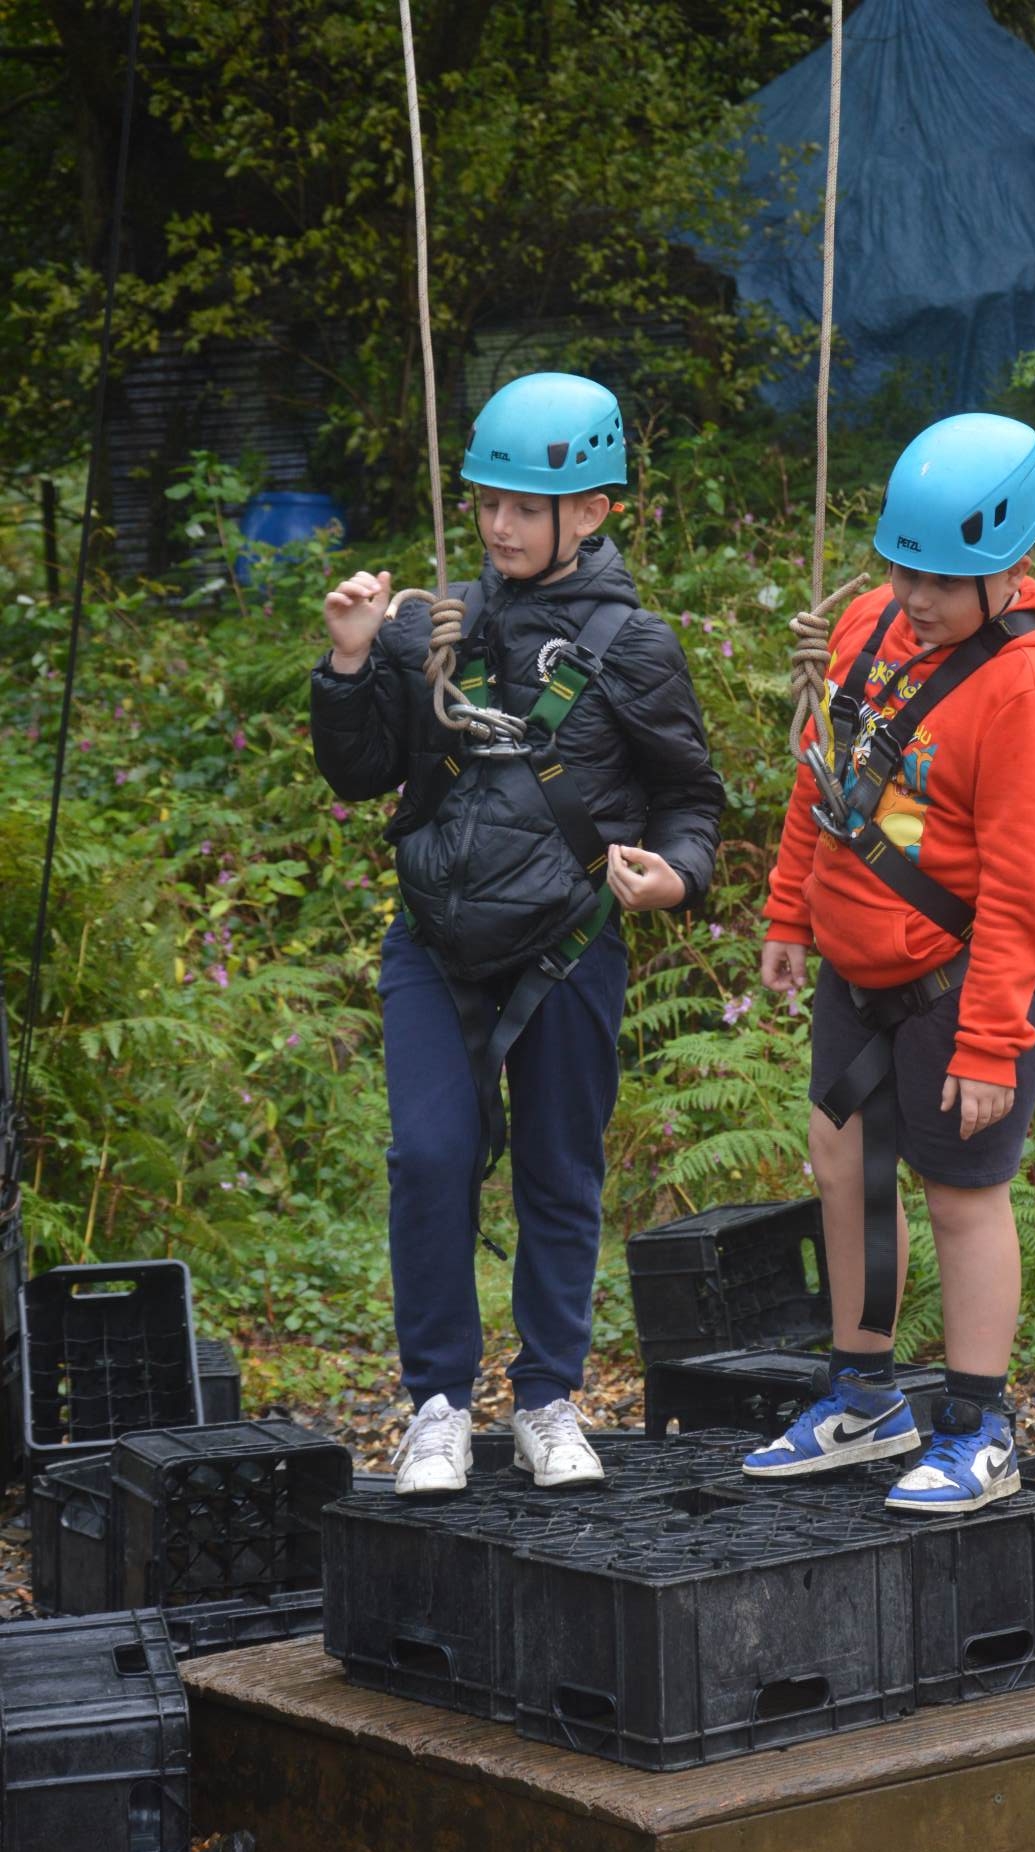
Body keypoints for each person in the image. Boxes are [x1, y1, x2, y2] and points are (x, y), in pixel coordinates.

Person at [310, 372, 723, 1495]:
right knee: (430, 1158)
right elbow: (359, 772)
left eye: (523, 507)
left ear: (590, 511)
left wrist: (676, 875)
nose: (498, 525)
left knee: (558, 1169)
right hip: (435, 945)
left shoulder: (635, 645)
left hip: (568, 946)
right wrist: (349, 661)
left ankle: (546, 1398)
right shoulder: (430, 627)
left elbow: (690, 795)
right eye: (486, 501)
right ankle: (437, 1406)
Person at [744, 413, 1035, 1515]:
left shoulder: (1030, 690)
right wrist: (789, 912)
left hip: (968, 975)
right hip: (859, 964)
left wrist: (990, 1043)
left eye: (942, 578)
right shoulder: (868, 626)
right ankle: (863, 1396)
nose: (915, 595)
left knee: (962, 1191)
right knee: (841, 1162)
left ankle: (980, 1427)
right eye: (903, 567)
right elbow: (822, 776)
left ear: (1013, 567)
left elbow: (1020, 887)